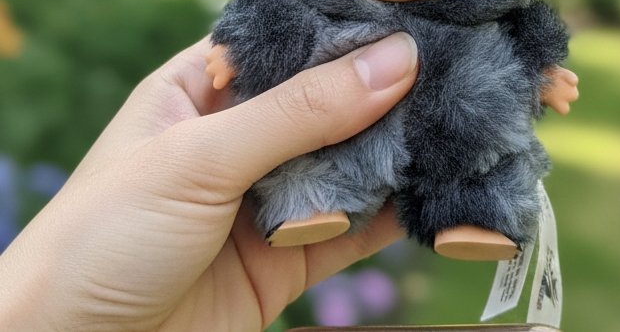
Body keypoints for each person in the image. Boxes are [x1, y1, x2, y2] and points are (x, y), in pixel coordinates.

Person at [0, 32, 576, 332]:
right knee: (307, 164)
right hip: (340, 145)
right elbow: (265, 19)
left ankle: (473, 212)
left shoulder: (483, 18)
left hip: (456, 125)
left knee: (479, 158)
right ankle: (307, 204)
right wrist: (235, 49)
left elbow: (525, 35)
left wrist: (543, 71)